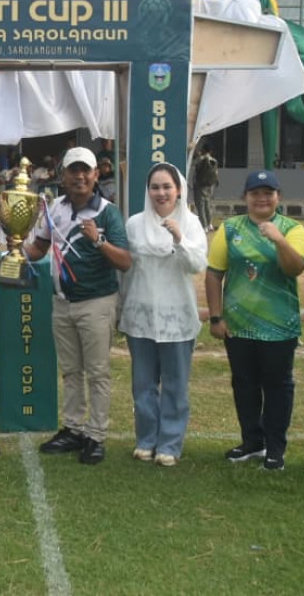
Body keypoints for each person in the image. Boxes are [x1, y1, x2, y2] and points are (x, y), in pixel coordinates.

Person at [27, 146, 132, 465]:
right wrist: (13, 248)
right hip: (62, 303)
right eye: (74, 170)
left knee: (97, 372)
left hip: (97, 302)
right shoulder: (54, 208)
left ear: (96, 174)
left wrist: (98, 241)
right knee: (71, 371)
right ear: (64, 175)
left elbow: (125, 261)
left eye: (86, 170)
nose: (80, 176)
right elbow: (40, 247)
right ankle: (73, 428)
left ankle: (96, 435)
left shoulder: (107, 212)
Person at [205, 170, 304, 472]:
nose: (262, 198)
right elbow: (214, 273)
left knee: (278, 387)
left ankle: (275, 447)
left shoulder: (292, 229)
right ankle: (252, 441)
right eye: (255, 193)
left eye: (268, 192)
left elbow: (295, 268)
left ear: (278, 196)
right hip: (239, 326)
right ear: (245, 197)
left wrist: (279, 241)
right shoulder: (230, 228)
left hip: (279, 327)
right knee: (244, 385)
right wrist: (216, 316)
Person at [118, 163, 207, 467]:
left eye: (167, 187)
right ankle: (146, 439)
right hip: (140, 316)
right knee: (142, 385)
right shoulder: (134, 224)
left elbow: (197, 265)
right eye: (155, 187)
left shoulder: (191, 223)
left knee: (174, 384)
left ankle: (169, 442)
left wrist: (179, 237)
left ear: (178, 190)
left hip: (177, 318)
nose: (161, 193)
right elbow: (127, 271)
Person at [192, 144, 220, 231]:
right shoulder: (214, 160)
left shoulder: (201, 159)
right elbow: (216, 173)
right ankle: (209, 224)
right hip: (210, 185)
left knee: (200, 205)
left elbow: (193, 163)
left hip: (200, 185)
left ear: (203, 150)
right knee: (207, 205)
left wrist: (200, 155)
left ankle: (204, 226)